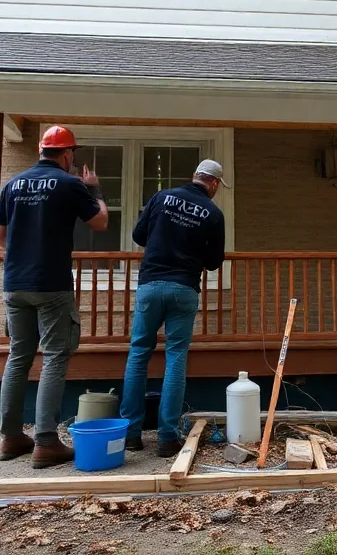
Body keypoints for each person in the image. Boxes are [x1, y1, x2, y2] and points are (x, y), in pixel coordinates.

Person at [0, 125, 109, 468]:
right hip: (52, 284)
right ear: (68, 154)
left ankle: (10, 437)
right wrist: (94, 188)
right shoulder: (70, 183)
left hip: (15, 284)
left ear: (40, 151)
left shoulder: (12, 185)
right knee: (55, 357)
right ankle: (45, 442)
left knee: (18, 357)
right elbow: (100, 221)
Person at [121, 160, 227, 457]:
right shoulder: (213, 213)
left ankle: (131, 434)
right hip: (183, 288)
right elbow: (213, 262)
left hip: (151, 285)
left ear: (194, 176)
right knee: (176, 357)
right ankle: (168, 437)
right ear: (214, 184)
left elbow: (139, 236)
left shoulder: (161, 196)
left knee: (138, 353)